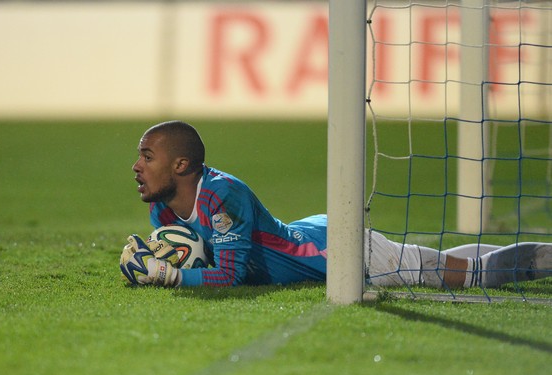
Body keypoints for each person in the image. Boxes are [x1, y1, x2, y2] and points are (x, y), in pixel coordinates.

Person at [120, 120, 552, 289]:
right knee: (438, 261)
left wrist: (168, 276)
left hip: (339, 254)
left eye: (147, 156)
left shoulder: (221, 195)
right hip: (308, 234)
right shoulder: (162, 209)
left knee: (474, 277)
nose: (137, 166)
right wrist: (157, 254)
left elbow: (230, 275)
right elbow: (203, 256)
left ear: (180, 164)